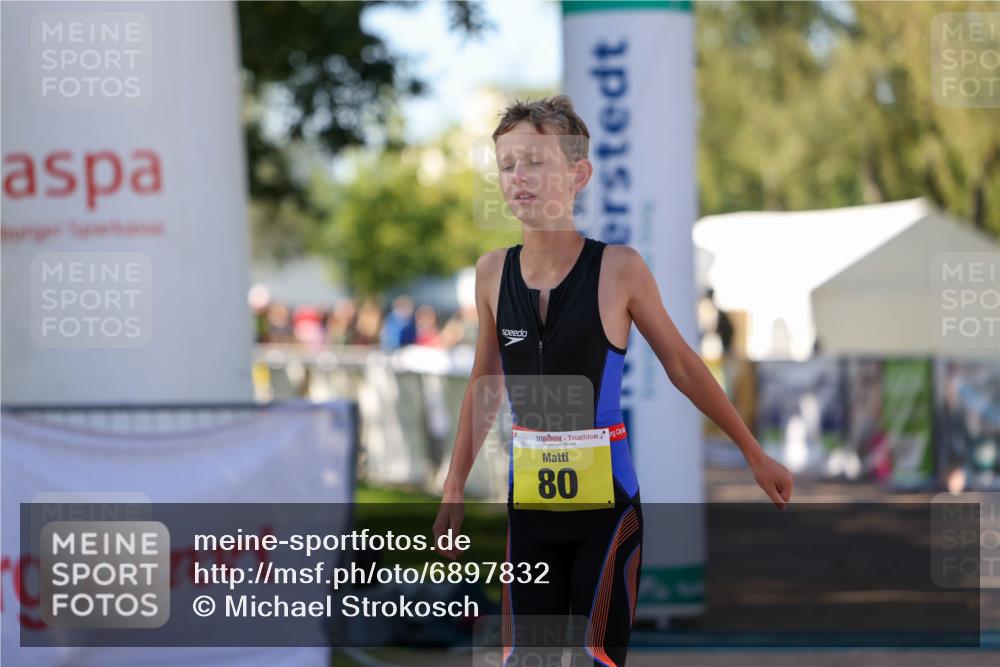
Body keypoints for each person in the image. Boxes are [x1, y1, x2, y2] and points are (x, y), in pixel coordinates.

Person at [433, 95, 793, 666]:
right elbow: (486, 384)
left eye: (536, 162)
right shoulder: (491, 273)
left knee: (594, 659)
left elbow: (683, 365)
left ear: (578, 175)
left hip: (607, 512)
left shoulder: (619, 268)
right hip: (528, 511)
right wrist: (454, 485)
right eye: (507, 165)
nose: (519, 177)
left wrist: (753, 453)